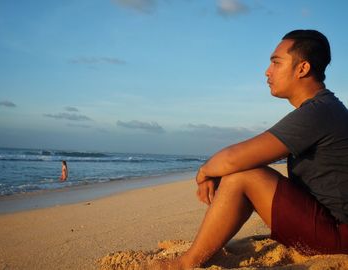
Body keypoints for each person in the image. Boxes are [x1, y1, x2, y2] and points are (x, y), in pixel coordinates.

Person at [148, 29, 348, 269]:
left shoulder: (318, 112)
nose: (267, 71)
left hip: (337, 237)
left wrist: (204, 172)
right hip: (332, 226)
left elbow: (234, 158)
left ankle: (186, 263)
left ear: (302, 69)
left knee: (243, 174)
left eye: (276, 62)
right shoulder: (324, 108)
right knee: (243, 170)